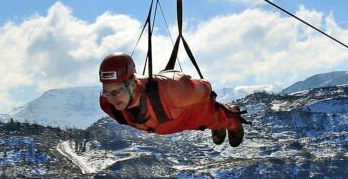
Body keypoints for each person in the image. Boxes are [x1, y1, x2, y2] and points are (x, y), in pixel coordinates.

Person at [98, 53, 246, 146]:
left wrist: (191, 88)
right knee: (212, 121)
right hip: (166, 121)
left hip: (190, 112)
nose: (112, 99)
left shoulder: (172, 91)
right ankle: (217, 124)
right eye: (107, 92)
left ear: (131, 84)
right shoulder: (108, 105)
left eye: (116, 92)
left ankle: (232, 114)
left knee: (217, 118)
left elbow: (205, 87)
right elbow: (110, 98)